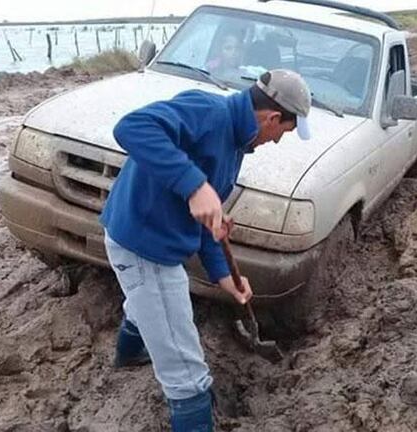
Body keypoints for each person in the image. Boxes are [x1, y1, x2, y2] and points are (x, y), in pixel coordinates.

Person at [99, 69, 312, 431]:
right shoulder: (208, 112)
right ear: (272, 117)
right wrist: (195, 185)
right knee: (187, 372)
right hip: (144, 245)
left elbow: (206, 223)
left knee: (145, 304)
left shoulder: (234, 143)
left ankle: (128, 356)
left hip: (153, 240)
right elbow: (131, 127)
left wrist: (225, 276)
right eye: (284, 133)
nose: (276, 142)